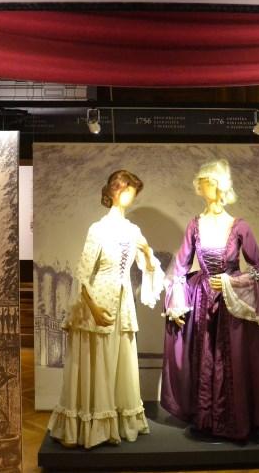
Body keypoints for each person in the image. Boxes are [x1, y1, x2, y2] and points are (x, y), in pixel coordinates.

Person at [48, 170, 164, 449]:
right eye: (127, 188)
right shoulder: (98, 229)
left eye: (133, 189)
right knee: (97, 363)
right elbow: (82, 274)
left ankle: (117, 423)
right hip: (97, 304)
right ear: (114, 190)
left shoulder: (133, 231)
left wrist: (147, 253)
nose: (130, 194)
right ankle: (91, 428)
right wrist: (94, 310)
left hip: (123, 305)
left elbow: (149, 268)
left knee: (119, 364)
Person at [161, 159, 259, 441]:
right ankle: (206, 419)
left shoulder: (239, 226)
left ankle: (232, 420)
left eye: (205, 182)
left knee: (230, 358)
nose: (200, 187)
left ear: (217, 185)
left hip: (231, 303)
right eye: (200, 183)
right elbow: (180, 267)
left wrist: (231, 281)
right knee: (206, 357)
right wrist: (176, 303)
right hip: (202, 300)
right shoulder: (195, 225)